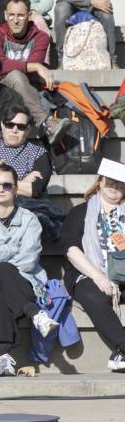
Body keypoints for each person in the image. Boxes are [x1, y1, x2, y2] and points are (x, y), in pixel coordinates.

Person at [0, 163, 58, 376]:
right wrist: (11, 248)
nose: (0, 189)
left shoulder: (29, 219)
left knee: (3, 292)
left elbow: (28, 260)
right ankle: (34, 313)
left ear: (15, 189)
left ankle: (4, 356)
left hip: (20, 280)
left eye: (6, 185)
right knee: (4, 271)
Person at [61, 159, 125, 371]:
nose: (114, 186)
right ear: (100, 181)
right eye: (110, 181)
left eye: (120, 182)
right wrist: (98, 276)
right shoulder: (81, 212)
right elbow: (71, 249)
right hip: (88, 275)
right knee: (93, 294)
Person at [0, 0, 52, 127]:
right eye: (11, 15)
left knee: (18, 75)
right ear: (5, 15)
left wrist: (33, 67)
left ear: (30, 15)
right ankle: (47, 123)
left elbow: (30, 74)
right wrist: (36, 66)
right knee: (16, 75)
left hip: (29, 88)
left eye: (20, 15)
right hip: (0, 87)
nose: (15, 20)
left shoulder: (41, 37)